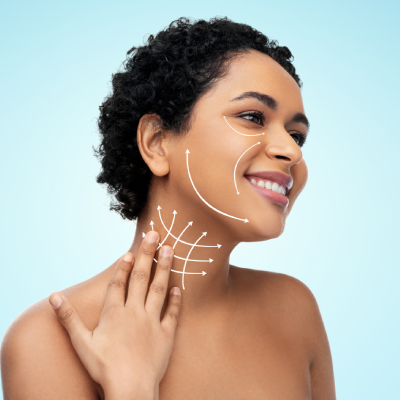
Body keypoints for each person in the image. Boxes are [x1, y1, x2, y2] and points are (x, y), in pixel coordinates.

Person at [1, 17, 336, 399]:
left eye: (297, 136)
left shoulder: (293, 311)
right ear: (157, 142)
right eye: (252, 117)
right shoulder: (51, 338)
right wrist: (133, 386)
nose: (291, 151)